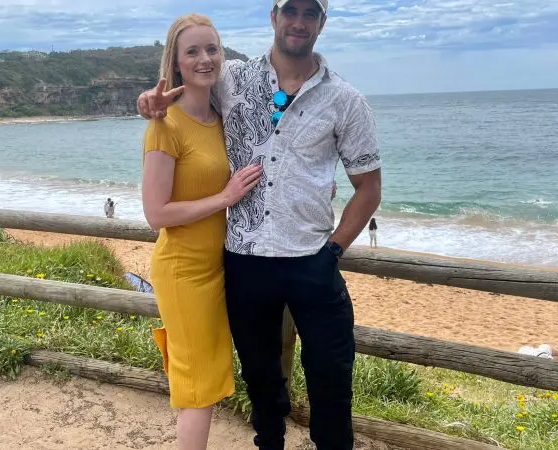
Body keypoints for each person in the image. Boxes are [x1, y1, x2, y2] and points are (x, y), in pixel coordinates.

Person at [138, 1, 381, 447]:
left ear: (322, 23)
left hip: (312, 259)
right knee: (261, 381)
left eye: (311, 14)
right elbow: (183, 93)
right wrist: (147, 102)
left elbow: (368, 188)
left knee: (331, 379)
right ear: (274, 18)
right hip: (245, 261)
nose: (299, 22)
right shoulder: (232, 78)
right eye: (291, 11)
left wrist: (334, 250)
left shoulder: (346, 100)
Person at [140, 14, 263, 449]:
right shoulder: (164, 125)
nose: (205, 58)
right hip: (183, 271)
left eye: (212, 48)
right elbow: (156, 214)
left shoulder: (218, 115)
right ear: (174, 63)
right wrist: (224, 198)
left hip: (216, 268)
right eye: (192, 51)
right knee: (198, 387)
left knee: (207, 378)